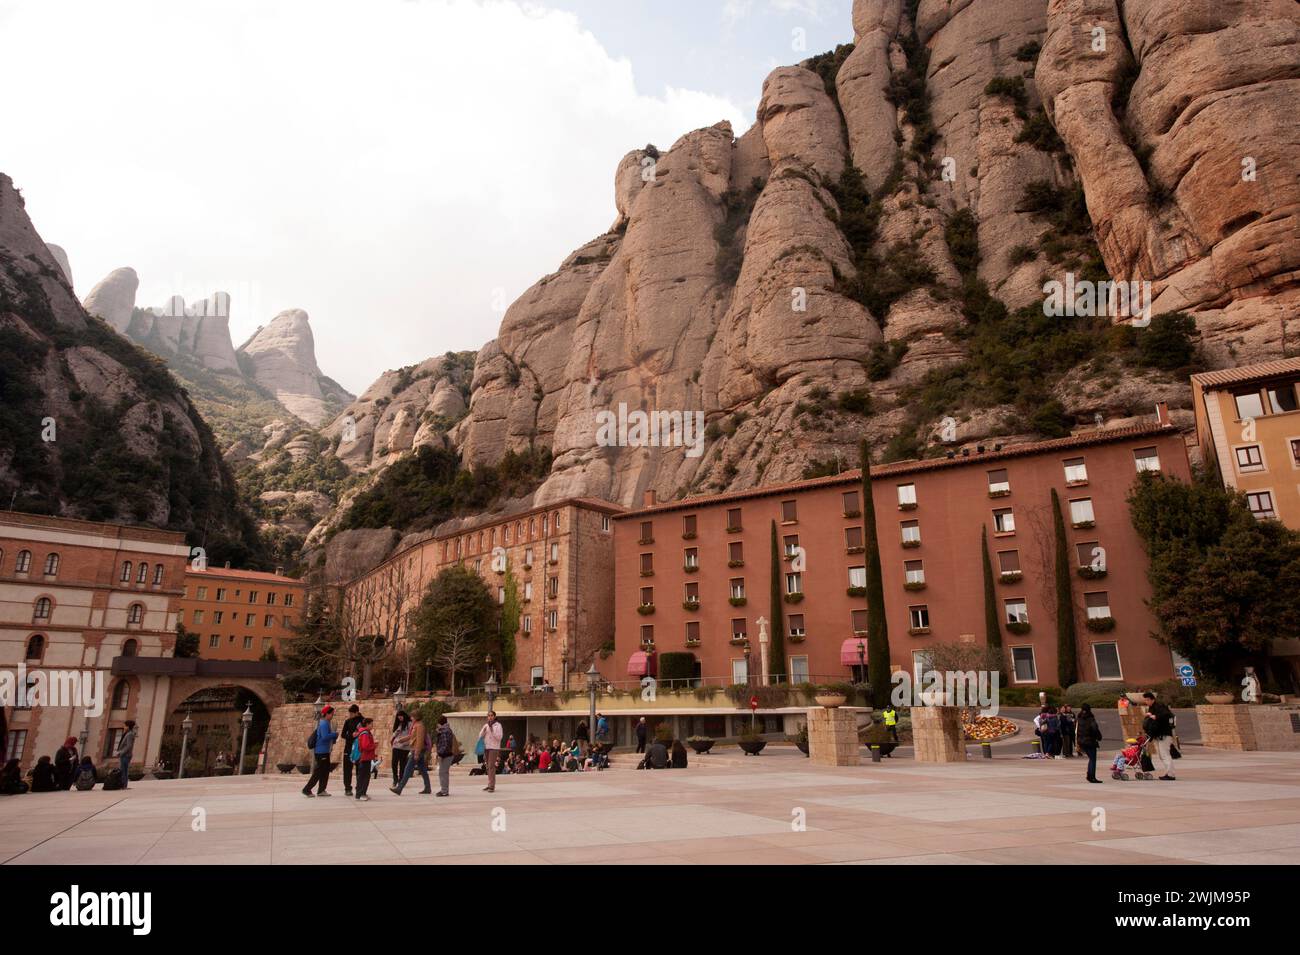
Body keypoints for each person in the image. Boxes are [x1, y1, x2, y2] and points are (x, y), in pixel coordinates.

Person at [392, 711, 432, 795]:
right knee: (423, 770)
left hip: (417, 750)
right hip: (416, 750)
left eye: (412, 717)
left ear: (416, 717)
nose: (411, 718)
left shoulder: (420, 726)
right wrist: (401, 740)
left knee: (407, 769)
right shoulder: (416, 725)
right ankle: (427, 788)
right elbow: (412, 736)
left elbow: (420, 740)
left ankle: (399, 788)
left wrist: (417, 753)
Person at [302, 704, 338, 797]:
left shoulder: (325, 723)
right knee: (319, 772)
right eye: (332, 714)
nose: (332, 716)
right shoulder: (324, 724)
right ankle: (307, 789)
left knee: (325, 771)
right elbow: (325, 736)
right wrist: (334, 734)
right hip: (321, 752)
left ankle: (321, 790)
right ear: (327, 714)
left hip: (324, 751)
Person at [1142, 691, 1177, 780]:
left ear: (1152, 699)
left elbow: (1167, 715)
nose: (1146, 702)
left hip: (1164, 735)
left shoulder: (1159, 706)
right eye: (1145, 700)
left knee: (1165, 754)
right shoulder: (1152, 708)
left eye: (1147, 700)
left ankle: (1171, 774)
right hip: (1159, 735)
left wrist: (1155, 716)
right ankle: (1169, 773)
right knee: (1162, 755)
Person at [477, 711, 503, 793]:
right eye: (488, 716)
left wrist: (492, 730)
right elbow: (480, 736)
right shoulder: (486, 725)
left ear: (494, 716)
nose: (490, 717)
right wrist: (483, 732)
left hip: (494, 748)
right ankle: (489, 784)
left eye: (492, 715)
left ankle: (492, 786)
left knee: (491, 766)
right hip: (486, 747)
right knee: (488, 767)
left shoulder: (498, 725)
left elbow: (499, 737)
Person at [340, 704, 363, 796]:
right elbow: (342, 735)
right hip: (349, 748)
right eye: (349, 713)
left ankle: (359, 787)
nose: (350, 715)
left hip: (359, 748)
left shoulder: (363, 721)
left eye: (352, 713)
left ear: (356, 712)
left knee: (360, 769)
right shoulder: (348, 721)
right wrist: (351, 736)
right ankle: (347, 788)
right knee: (347, 769)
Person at [1076, 703, 1103, 783]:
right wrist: (1099, 737)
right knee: (1092, 759)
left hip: (1081, 741)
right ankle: (1091, 776)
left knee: (1090, 758)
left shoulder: (1079, 718)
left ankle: (1089, 775)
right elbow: (1094, 729)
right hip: (1090, 741)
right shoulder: (1090, 718)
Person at [353, 717, 377, 800]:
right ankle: (360, 794)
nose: (372, 725)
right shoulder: (365, 734)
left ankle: (361, 793)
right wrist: (374, 746)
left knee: (364, 776)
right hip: (364, 758)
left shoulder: (365, 733)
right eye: (371, 724)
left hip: (366, 757)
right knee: (364, 776)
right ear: (367, 724)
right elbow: (365, 746)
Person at [434, 715, 455, 797]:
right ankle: (444, 789)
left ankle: (444, 791)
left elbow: (445, 744)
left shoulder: (444, 731)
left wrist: (440, 753)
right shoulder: (447, 730)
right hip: (448, 754)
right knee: (444, 773)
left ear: (439, 723)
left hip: (445, 755)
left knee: (443, 773)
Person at [390, 710, 412, 786]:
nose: (400, 718)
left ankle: (401, 779)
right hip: (396, 746)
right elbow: (395, 733)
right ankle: (395, 778)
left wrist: (404, 741)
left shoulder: (409, 724)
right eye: (398, 717)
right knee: (394, 763)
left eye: (401, 717)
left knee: (402, 764)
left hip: (405, 747)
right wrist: (392, 739)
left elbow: (411, 735)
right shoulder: (399, 724)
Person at [115, 720, 137, 788]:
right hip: (125, 755)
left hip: (126, 755)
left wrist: (121, 752)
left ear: (128, 726)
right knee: (123, 770)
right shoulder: (127, 733)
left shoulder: (130, 734)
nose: (124, 727)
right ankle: (123, 784)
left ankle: (124, 784)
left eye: (125, 725)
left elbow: (129, 746)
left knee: (123, 770)